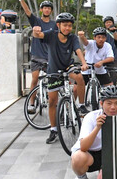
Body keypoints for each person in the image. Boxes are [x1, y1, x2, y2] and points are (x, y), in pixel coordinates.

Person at [32, 12, 88, 144]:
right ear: (58, 25)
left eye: (69, 26)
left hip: (68, 67)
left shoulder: (73, 38)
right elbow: (38, 35)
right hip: (53, 70)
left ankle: (81, 105)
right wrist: (35, 31)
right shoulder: (51, 34)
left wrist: (84, 63)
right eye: (65, 25)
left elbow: (78, 50)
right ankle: (53, 129)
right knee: (52, 101)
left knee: (80, 78)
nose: (67, 28)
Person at [64, 85, 117, 179]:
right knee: (78, 157)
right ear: (101, 104)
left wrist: (104, 170)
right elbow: (83, 147)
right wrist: (97, 127)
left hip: (110, 154)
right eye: (109, 103)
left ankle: (114, 174)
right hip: (91, 154)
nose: (113, 107)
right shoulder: (91, 117)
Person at [17, 0, 58, 113]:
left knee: (53, 80)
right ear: (41, 10)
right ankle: (31, 103)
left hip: (49, 56)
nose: (47, 9)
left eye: (49, 8)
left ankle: (57, 104)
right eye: (45, 8)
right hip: (36, 55)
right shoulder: (36, 21)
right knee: (34, 79)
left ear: (51, 10)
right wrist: (21, 0)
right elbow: (27, 11)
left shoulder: (54, 24)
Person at [102, 16, 117, 84]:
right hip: (104, 57)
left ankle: (113, 89)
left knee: (114, 75)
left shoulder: (116, 32)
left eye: (110, 22)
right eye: (106, 22)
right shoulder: (103, 33)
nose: (108, 24)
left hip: (115, 56)